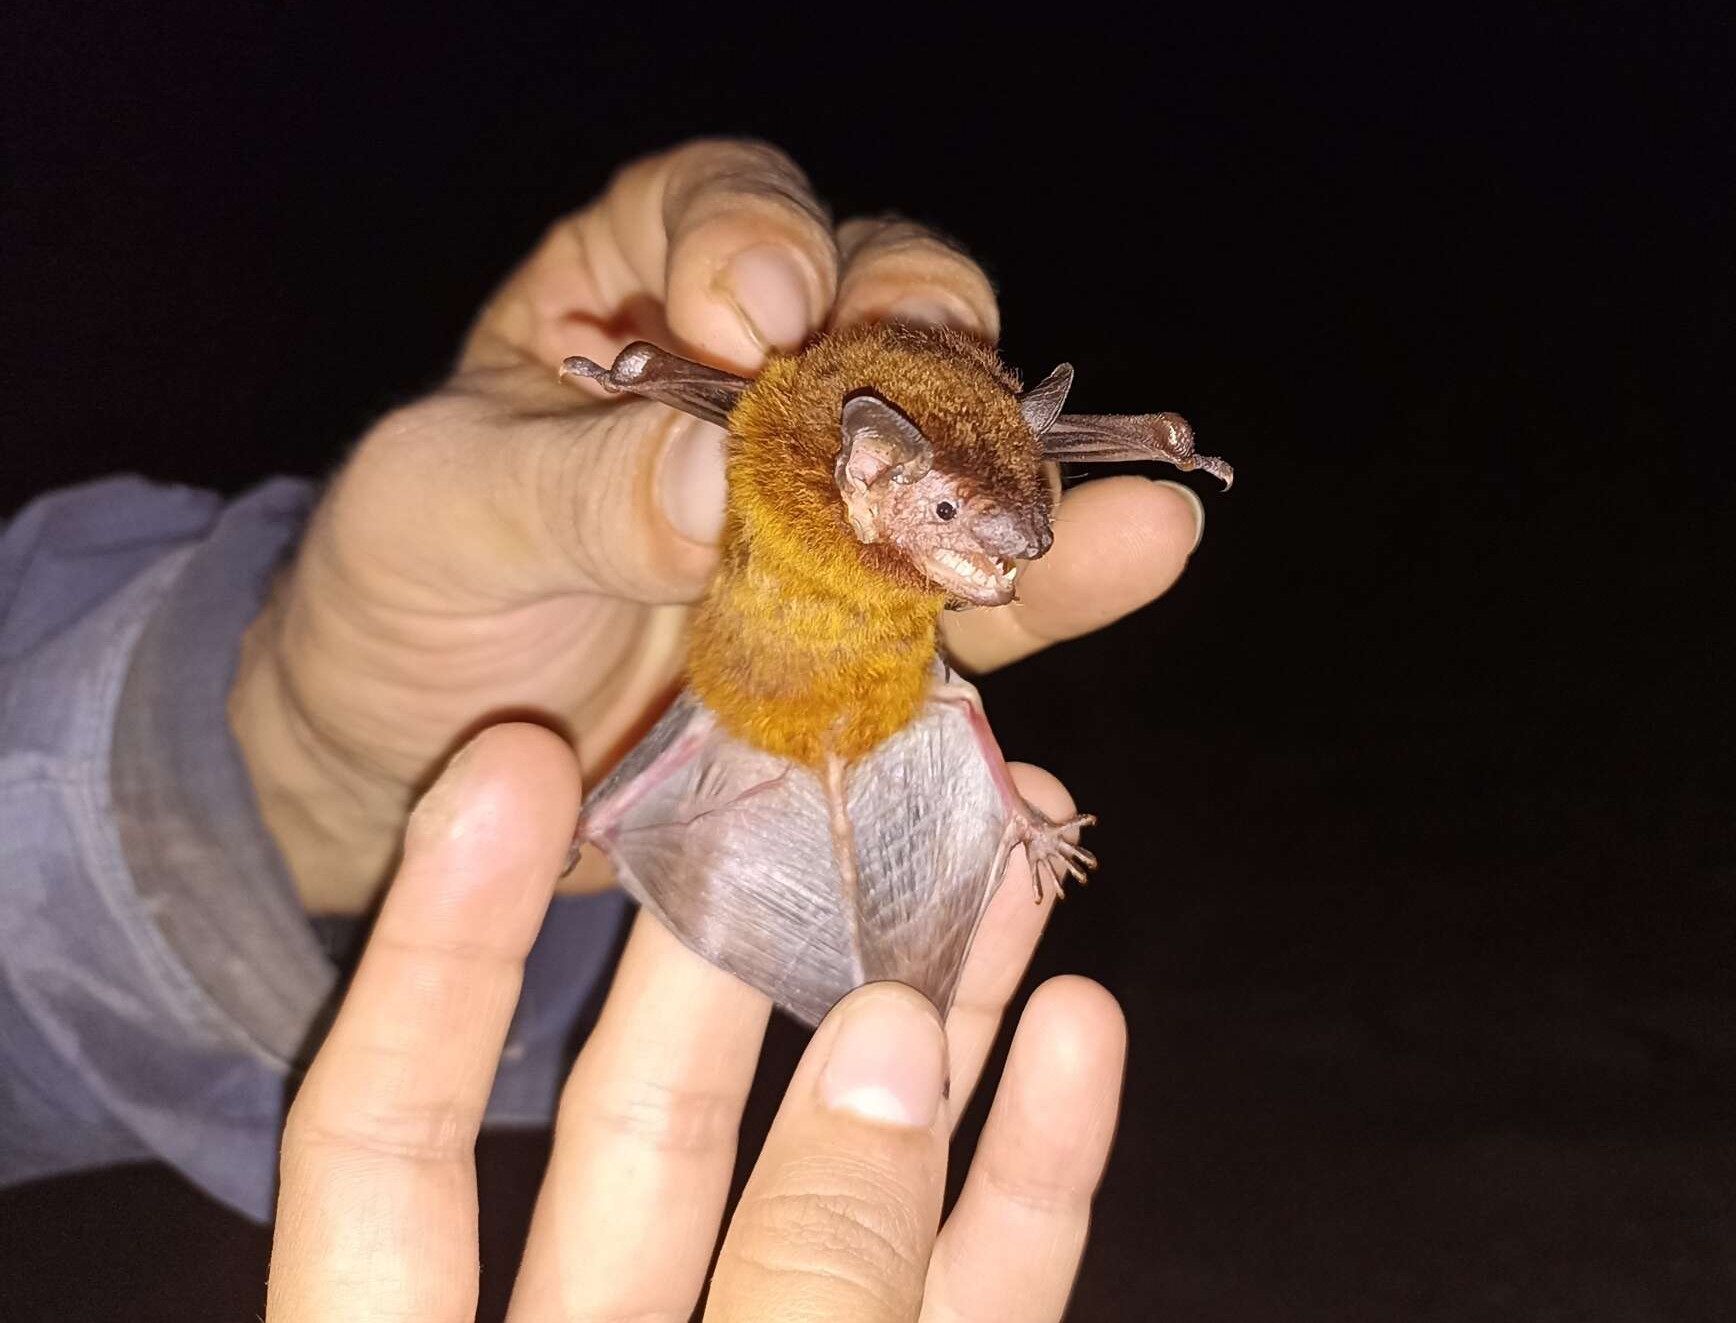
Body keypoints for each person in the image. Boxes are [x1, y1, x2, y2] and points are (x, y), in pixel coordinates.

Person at [0, 140, 1204, 1315]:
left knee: (957, 701)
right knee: (780, 741)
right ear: (865, 471)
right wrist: (639, 386)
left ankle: (959, 830)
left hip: (884, 678)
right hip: (745, 675)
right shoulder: (786, 436)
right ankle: (645, 816)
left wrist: (1115, 447)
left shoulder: (942, 504)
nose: (1007, 554)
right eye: (953, 512)